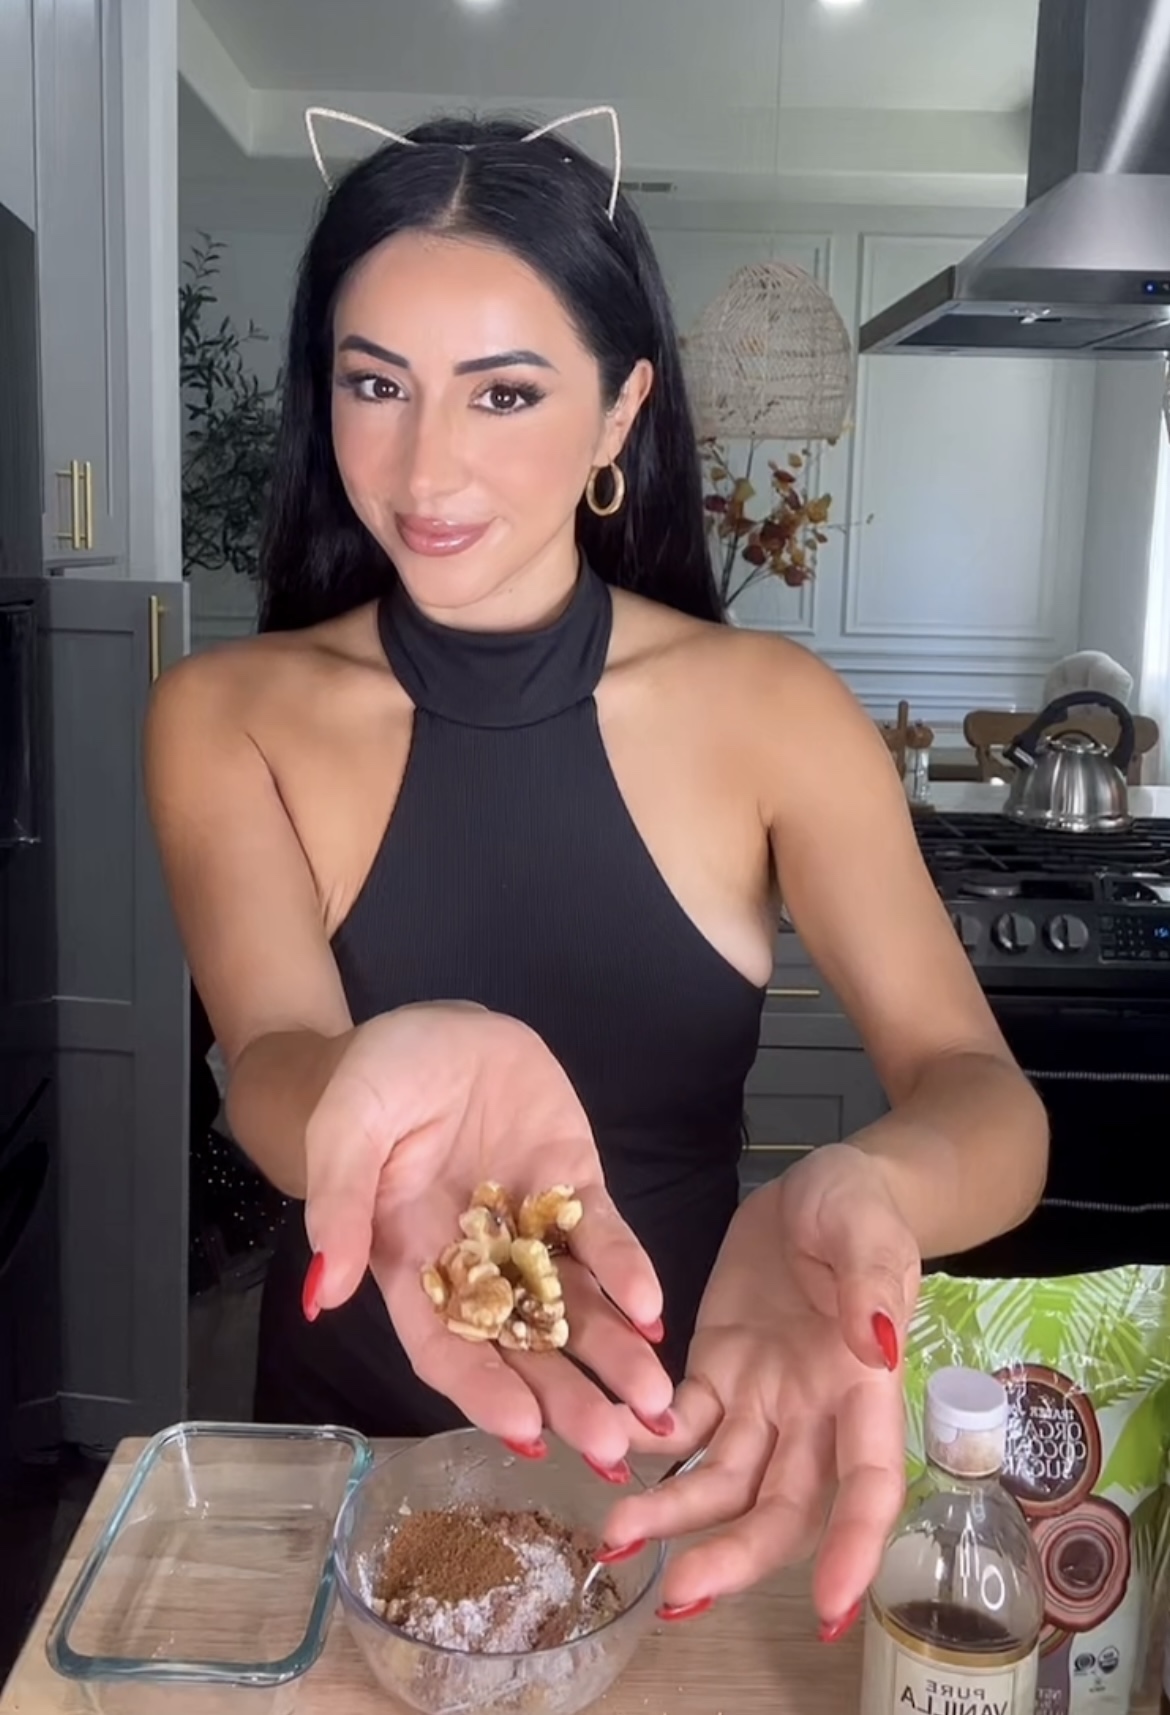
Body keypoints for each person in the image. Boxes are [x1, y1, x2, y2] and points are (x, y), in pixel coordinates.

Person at [145, 111, 1048, 1636]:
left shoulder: (771, 711)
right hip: (363, 1483)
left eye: (505, 392)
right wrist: (378, 1073)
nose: (425, 465)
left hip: (701, 1460)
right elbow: (277, 1069)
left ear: (620, 409)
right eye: (376, 384)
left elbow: (984, 1096)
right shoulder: (224, 716)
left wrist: (865, 1179)